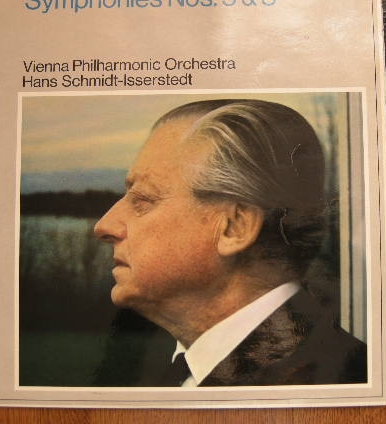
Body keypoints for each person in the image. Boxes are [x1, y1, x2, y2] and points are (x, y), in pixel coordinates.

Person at [93, 99, 366, 386]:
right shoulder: (173, 368)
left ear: (235, 227)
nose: (104, 226)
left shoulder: (331, 382)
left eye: (142, 199)